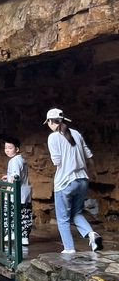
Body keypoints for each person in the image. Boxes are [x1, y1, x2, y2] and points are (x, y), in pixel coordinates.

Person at [45, 108, 102, 254]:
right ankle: (92, 235)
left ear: (51, 122)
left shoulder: (53, 137)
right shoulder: (76, 133)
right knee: (76, 213)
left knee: (63, 219)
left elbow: (56, 161)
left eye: (48, 122)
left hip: (65, 183)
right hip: (82, 180)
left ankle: (69, 248)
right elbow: (89, 156)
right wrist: (94, 174)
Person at [1, 136, 33, 246]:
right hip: (25, 193)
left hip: (15, 194)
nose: (7, 150)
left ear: (17, 149)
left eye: (10, 148)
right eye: (6, 148)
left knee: (8, 213)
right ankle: (24, 237)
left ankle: (9, 233)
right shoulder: (21, 159)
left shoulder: (13, 161)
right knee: (24, 214)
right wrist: (8, 176)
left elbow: (16, 177)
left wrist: (7, 190)